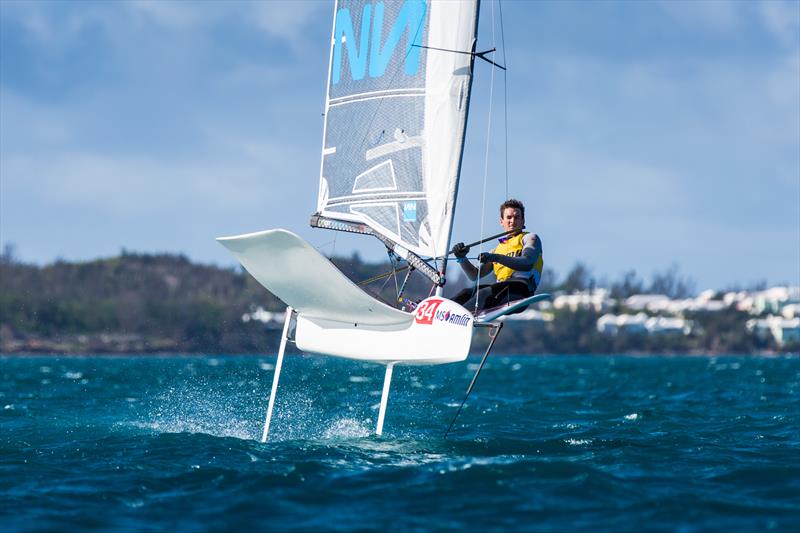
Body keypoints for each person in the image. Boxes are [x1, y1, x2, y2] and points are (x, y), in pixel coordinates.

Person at [451, 199, 543, 311]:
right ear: (501, 221)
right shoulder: (497, 249)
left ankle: (455, 318)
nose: (512, 221)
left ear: (523, 221)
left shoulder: (529, 238)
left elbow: (527, 263)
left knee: (482, 294)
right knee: (465, 293)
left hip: (521, 291)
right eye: (509, 217)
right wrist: (461, 258)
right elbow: (475, 275)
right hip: (502, 292)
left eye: (517, 217)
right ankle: (435, 311)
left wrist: (496, 258)